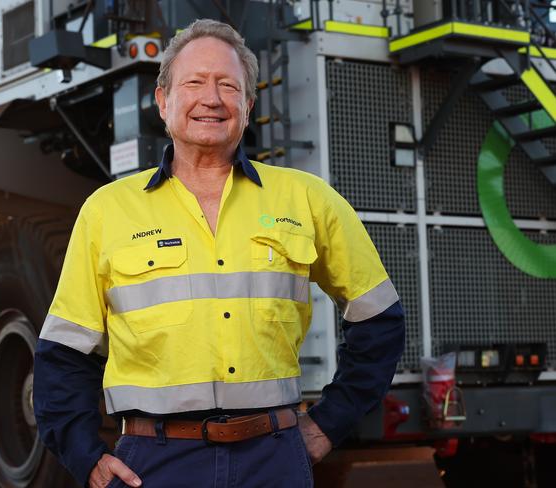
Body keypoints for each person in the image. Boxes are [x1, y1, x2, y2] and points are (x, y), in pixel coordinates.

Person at [33, 18, 405, 488]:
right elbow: (64, 352)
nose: (211, 98)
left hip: (275, 460)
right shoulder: (107, 211)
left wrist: (330, 422)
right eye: (194, 83)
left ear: (247, 106)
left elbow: (380, 319)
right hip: (153, 465)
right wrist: (85, 456)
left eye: (228, 85)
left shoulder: (308, 200)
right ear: (163, 101)